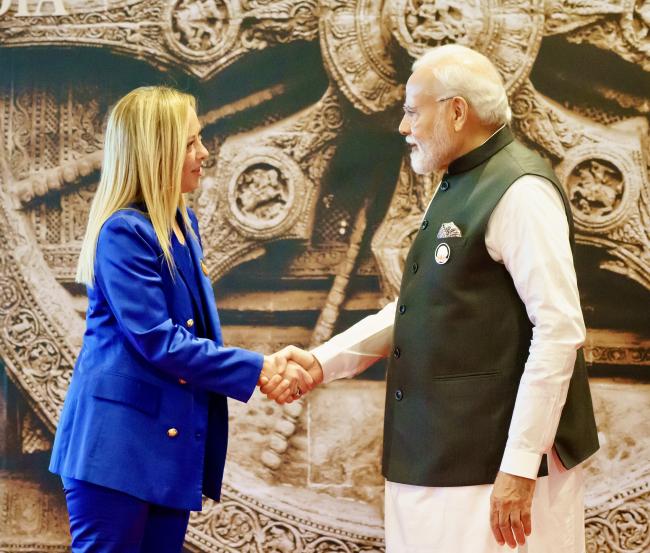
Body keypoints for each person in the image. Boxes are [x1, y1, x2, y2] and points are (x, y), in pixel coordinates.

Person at [265, 44, 600, 552]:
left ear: (456, 111)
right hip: (443, 463)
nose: (404, 127)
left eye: (411, 111)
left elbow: (559, 331)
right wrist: (320, 363)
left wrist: (518, 466)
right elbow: (421, 309)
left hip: (492, 471)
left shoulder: (521, 191)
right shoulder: (462, 182)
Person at [49, 86, 313, 553]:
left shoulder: (180, 228)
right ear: (157, 152)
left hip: (163, 458)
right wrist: (261, 368)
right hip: (117, 455)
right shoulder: (123, 232)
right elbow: (160, 342)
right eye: (190, 143)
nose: (204, 152)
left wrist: (263, 366)